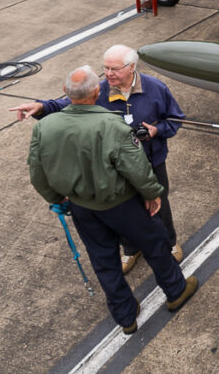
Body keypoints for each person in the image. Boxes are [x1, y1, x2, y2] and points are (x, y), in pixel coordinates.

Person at [27, 65, 197, 334]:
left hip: (82, 206)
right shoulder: (111, 124)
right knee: (155, 243)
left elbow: (37, 173)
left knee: (103, 260)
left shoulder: (44, 126)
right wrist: (152, 193)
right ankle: (176, 290)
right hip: (122, 204)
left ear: (65, 93)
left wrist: (59, 199)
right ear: (97, 92)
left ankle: (125, 316)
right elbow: (136, 167)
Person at [12, 44, 185, 274]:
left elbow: (175, 118)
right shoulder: (99, 90)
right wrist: (41, 106)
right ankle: (131, 249)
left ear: (131, 67)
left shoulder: (156, 88)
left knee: (158, 204)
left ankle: (169, 243)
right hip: (115, 168)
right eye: (105, 68)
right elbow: (64, 104)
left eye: (114, 69)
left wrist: (157, 131)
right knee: (125, 211)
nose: (109, 74)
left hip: (151, 162)